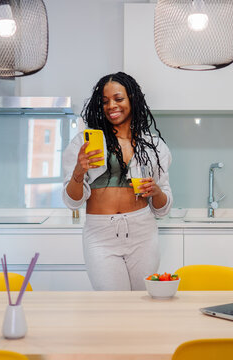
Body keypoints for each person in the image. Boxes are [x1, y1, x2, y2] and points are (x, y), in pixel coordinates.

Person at [62, 72, 172, 291]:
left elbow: (162, 208)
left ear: (132, 99)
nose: (111, 105)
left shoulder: (153, 146)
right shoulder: (84, 142)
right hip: (100, 235)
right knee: (111, 306)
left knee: (143, 303)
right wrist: (78, 171)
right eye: (105, 101)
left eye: (118, 99)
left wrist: (156, 191)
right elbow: (72, 202)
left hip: (142, 231)